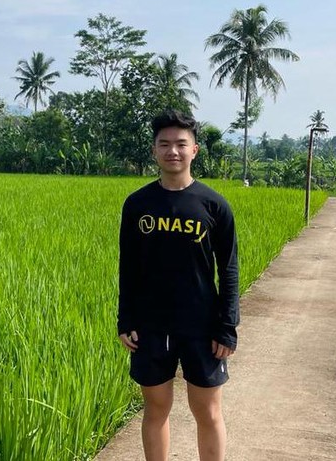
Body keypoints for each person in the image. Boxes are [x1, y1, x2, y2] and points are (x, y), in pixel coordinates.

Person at [117, 109, 239, 461]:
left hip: (202, 325)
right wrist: (126, 318)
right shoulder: (137, 204)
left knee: (208, 411)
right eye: (164, 144)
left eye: (181, 144)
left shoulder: (214, 205)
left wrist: (227, 326)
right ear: (154, 150)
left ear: (194, 150)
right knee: (156, 409)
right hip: (151, 326)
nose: (173, 151)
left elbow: (229, 270)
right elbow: (128, 267)